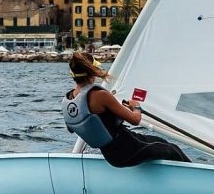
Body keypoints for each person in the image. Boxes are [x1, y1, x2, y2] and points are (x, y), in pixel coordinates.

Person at [62, 51, 190, 167]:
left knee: (160, 141)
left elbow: (74, 128)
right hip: (128, 151)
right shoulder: (100, 95)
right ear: (92, 72)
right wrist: (136, 107)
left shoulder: (69, 99)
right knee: (172, 150)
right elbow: (135, 120)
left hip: (111, 153)